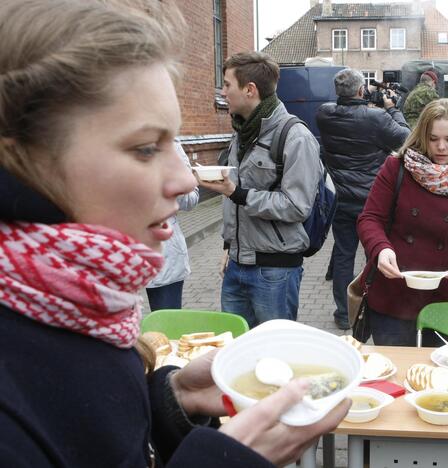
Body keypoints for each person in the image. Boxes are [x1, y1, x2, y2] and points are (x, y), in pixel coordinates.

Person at [0, 1, 349, 466]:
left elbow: (88, 426)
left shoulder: (79, 306)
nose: (186, 180)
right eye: (146, 147)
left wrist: (167, 400)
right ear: (23, 159)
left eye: (174, 143)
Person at [196, 52, 323, 329]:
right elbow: (235, 206)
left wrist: (236, 193)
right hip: (236, 266)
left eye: (228, 85)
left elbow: (297, 205)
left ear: (250, 90)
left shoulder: (295, 136)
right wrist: (230, 247)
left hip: (274, 272)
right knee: (237, 351)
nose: (223, 92)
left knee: (275, 354)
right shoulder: (241, 132)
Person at [357, 98, 448, 346]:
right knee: (396, 375)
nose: (441, 147)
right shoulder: (397, 167)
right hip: (393, 291)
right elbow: (370, 218)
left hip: (441, 298)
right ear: (422, 136)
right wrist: (381, 248)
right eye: (433, 139)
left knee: (434, 377)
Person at [316, 68, 410, 330]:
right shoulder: (378, 118)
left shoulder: (324, 113)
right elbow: (406, 139)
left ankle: (344, 314)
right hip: (372, 202)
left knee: (344, 255)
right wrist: (393, 109)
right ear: (361, 90)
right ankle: (376, 305)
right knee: (376, 254)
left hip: (340, 199)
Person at [146, 143, 199, 311]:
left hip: (163, 252)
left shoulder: (170, 145)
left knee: (167, 328)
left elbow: (191, 199)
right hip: (115, 253)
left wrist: (169, 185)